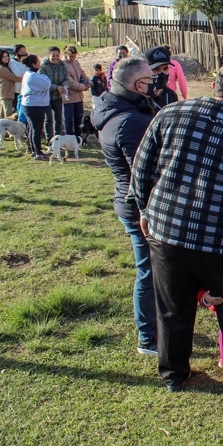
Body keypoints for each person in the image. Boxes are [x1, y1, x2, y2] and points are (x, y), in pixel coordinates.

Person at [130, 63, 223, 396]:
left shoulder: (170, 113)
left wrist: (145, 208)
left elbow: (142, 167)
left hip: (167, 228)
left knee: (172, 308)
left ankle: (174, 374)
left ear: (214, 85)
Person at [92, 57, 159, 356]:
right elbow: (142, 175)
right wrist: (147, 213)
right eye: (150, 80)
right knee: (150, 273)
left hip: (129, 202)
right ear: (136, 84)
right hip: (139, 208)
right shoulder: (130, 122)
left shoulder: (115, 108)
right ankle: (149, 339)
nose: (155, 84)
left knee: (152, 270)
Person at [20, 54, 52, 161]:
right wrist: (46, 78)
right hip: (34, 106)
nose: (40, 63)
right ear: (33, 64)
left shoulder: (29, 74)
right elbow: (47, 84)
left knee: (32, 129)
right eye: (38, 62)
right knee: (36, 130)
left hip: (31, 105)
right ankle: (38, 152)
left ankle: (34, 150)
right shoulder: (32, 76)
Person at [39, 46, 68, 142]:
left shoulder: (62, 65)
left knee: (58, 119)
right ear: (48, 56)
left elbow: (66, 78)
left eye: (57, 56)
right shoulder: (43, 67)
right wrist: (56, 87)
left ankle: (58, 139)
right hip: (46, 96)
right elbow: (43, 81)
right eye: (53, 56)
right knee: (48, 119)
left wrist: (64, 86)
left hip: (57, 96)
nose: (55, 58)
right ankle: (49, 140)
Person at [61, 46, 90, 137]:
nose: (73, 59)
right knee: (69, 119)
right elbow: (70, 81)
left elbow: (81, 73)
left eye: (74, 56)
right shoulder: (62, 65)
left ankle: (78, 136)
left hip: (78, 97)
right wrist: (82, 87)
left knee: (79, 117)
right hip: (69, 97)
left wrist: (88, 81)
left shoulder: (76, 62)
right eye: (71, 57)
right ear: (66, 55)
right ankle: (69, 136)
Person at [0, 49, 22, 119]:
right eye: (4, 57)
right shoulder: (1, 68)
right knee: (8, 114)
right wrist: (26, 79)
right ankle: (8, 128)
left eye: (7, 56)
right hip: (5, 93)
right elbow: (14, 77)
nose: (6, 58)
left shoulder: (3, 66)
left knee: (2, 115)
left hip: (5, 93)